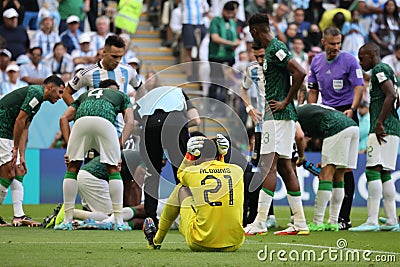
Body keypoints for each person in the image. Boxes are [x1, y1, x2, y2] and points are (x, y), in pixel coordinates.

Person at [244, 13, 309, 236]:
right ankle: (300, 222)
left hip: (278, 115)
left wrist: (285, 101)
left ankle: (260, 222)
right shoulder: (274, 48)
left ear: (254, 31)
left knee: (268, 166)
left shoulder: (274, 48)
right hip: (280, 116)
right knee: (283, 166)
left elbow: (300, 71)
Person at [55, 78, 134, 231]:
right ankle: (118, 220)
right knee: (113, 169)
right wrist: (118, 146)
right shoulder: (122, 95)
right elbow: (130, 122)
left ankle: (67, 219)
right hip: (105, 123)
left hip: (81, 122)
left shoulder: (86, 95)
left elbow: (64, 118)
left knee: (72, 169)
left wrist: (69, 145)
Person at [143, 136, 245, 252]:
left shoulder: (192, 172)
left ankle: (156, 240)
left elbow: (180, 174)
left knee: (181, 188)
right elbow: (219, 174)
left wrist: (189, 156)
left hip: (200, 243)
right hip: (234, 243)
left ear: (198, 155)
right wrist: (221, 156)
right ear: (219, 155)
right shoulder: (237, 170)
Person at [307, 26, 365, 230]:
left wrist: (352, 109)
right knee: (335, 166)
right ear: (323, 42)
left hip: (347, 112)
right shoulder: (316, 62)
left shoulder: (349, 60)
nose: (336, 47)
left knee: (345, 168)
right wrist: (311, 111)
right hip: (326, 115)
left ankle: (343, 218)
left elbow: (359, 87)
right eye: (332, 43)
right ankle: (335, 220)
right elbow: (313, 90)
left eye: (339, 43)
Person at [0, 74, 65, 226]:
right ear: (50, 88)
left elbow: (25, 127)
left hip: (8, 135)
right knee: (8, 173)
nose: (61, 97)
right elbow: (19, 120)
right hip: (2, 132)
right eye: (60, 92)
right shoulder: (36, 92)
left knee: (18, 170)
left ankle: (19, 215)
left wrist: (22, 155)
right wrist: (15, 148)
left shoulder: (39, 100)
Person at [349, 43, 400, 232]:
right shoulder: (390, 70)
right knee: (384, 173)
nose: (361, 62)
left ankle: (372, 220)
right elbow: (397, 95)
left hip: (382, 128)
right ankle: (392, 220)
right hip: (393, 127)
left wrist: (379, 122)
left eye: (363, 58)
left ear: (372, 54)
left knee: (372, 170)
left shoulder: (379, 69)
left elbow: (391, 95)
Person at [135, 85, 200, 226]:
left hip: (150, 126)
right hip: (176, 123)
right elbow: (196, 120)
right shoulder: (179, 93)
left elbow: (134, 122)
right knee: (182, 174)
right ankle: (187, 215)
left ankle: (151, 218)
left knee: (152, 174)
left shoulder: (148, 98)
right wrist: (180, 125)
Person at [62, 35, 141, 137]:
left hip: (120, 132)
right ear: (104, 52)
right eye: (114, 56)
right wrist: (80, 111)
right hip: (94, 129)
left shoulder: (128, 70)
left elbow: (141, 89)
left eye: (120, 57)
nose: (117, 60)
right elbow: (66, 93)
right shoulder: (88, 73)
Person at [297, 104, 359, 232]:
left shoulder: (291, 115)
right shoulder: (309, 110)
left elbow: (300, 137)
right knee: (339, 176)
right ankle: (333, 222)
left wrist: (301, 157)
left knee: (325, 176)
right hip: (352, 126)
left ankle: (317, 222)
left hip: (336, 127)